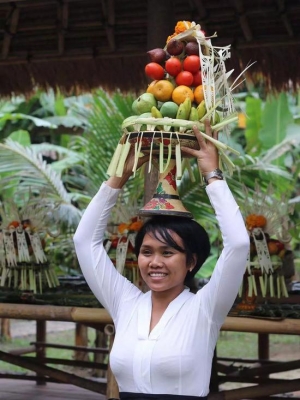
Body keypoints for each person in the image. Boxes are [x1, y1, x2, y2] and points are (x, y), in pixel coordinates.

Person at [73, 121, 250, 399]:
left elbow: (238, 244)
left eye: (168, 253)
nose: (155, 262)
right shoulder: (125, 304)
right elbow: (84, 242)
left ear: (191, 261)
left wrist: (212, 175)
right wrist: (117, 177)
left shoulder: (204, 309)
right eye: (147, 252)